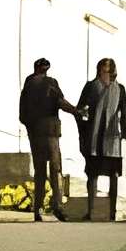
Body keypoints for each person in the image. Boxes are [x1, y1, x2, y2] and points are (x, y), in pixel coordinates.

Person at [17, 57, 79, 220]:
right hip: (50, 131)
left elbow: (22, 114)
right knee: (55, 169)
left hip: (35, 132)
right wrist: (75, 111)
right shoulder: (50, 82)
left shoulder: (28, 85)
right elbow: (60, 102)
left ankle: (37, 209)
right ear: (45, 69)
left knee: (39, 171)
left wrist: (31, 126)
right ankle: (57, 207)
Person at [75, 57, 126, 221]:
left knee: (113, 176)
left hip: (112, 139)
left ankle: (112, 213)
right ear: (99, 70)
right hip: (94, 137)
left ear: (113, 71)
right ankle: (90, 211)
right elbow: (80, 109)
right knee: (92, 175)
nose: (105, 73)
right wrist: (84, 125)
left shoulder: (120, 89)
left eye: (108, 70)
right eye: (103, 70)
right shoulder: (91, 86)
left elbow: (124, 112)